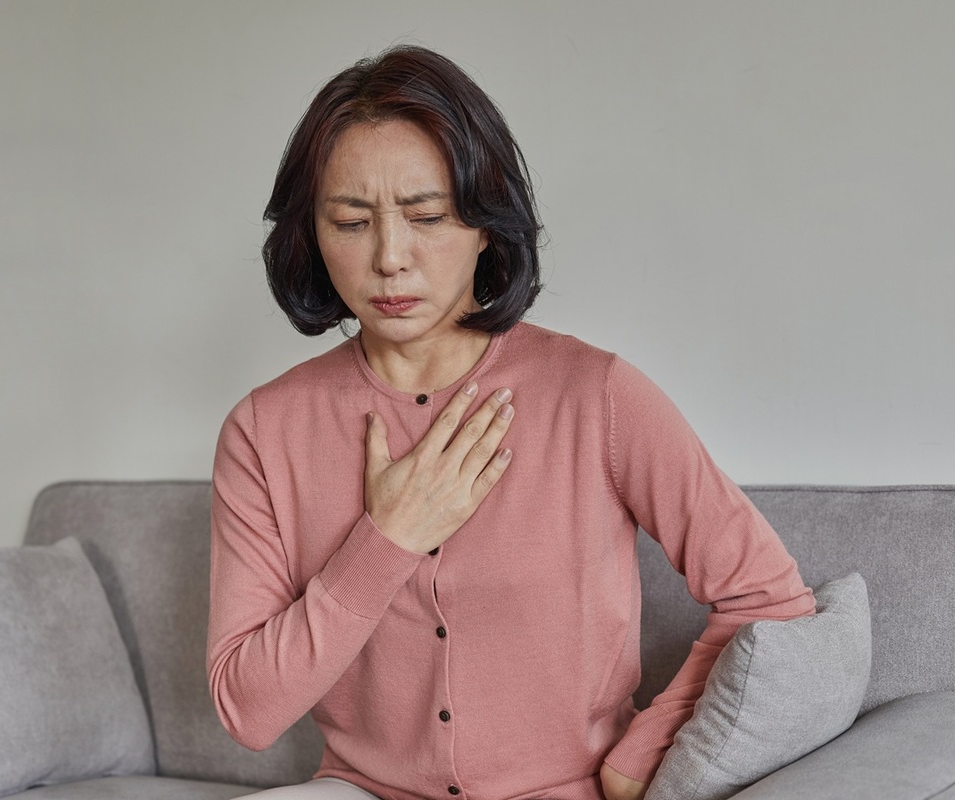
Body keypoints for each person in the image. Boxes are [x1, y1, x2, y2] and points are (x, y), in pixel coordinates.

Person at [207, 45, 814, 800]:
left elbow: (769, 600)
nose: (391, 257)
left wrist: (639, 758)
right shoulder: (263, 430)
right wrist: (387, 538)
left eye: (427, 216)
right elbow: (246, 709)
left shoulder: (597, 397)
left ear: (487, 223)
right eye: (352, 222)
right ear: (313, 234)